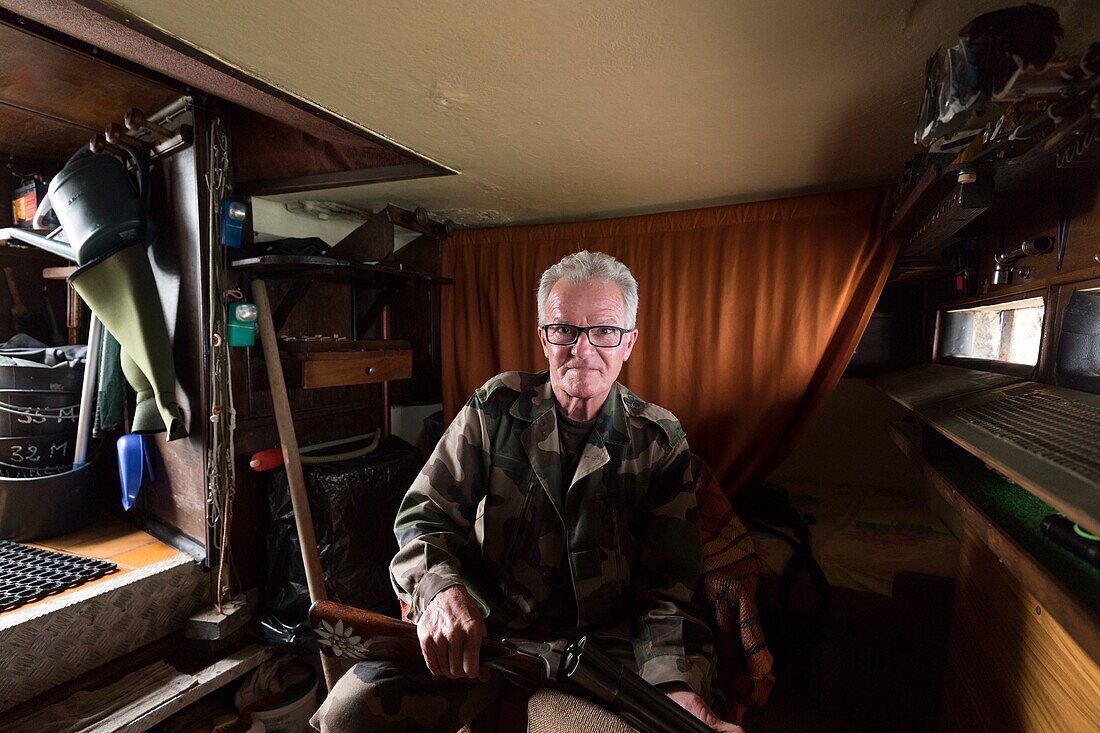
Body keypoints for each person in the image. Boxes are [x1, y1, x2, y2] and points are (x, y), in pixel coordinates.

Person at [312, 251, 742, 732]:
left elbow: (670, 592)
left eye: (604, 331)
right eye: (564, 330)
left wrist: (675, 685)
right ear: (543, 337)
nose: (582, 349)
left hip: (603, 654)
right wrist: (441, 590)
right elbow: (423, 516)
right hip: (486, 638)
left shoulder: (658, 439)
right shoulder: (497, 408)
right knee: (346, 712)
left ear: (629, 344)